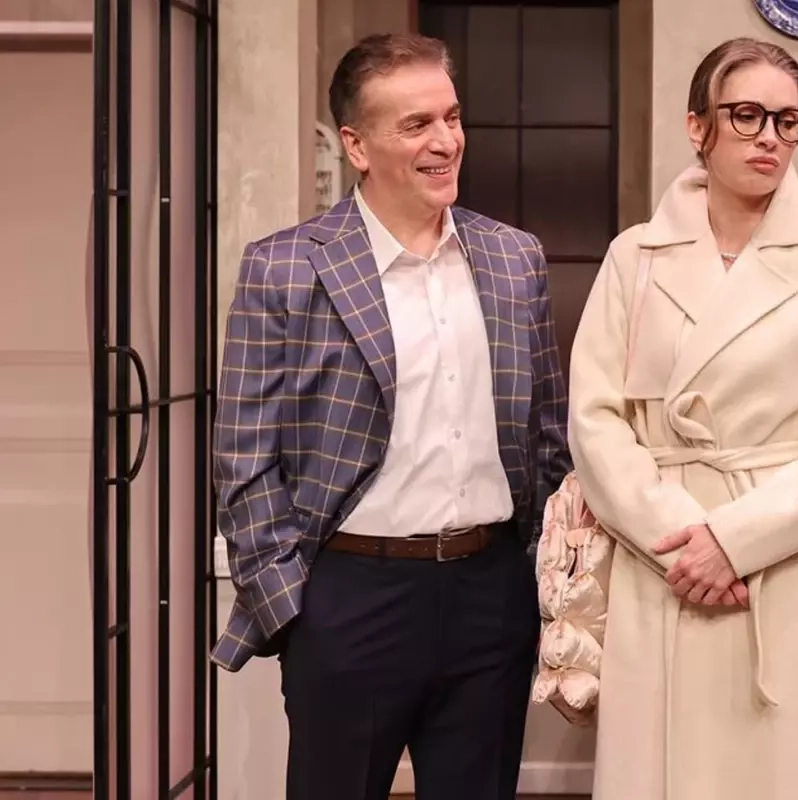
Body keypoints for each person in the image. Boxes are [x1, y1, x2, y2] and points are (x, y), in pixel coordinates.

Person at [209, 33, 571, 800]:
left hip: (490, 599)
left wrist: (537, 580)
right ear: (356, 145)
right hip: (348, 600)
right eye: (416, 125)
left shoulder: (515, 260)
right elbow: (243, 459)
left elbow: (548, 436)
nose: (446, 141)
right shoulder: (286, 267)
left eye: (452, 117)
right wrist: (294, 612)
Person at [567, 37, 798, 800]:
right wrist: (685, 543)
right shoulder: (634, 258)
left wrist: (735, 541)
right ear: (699, 126)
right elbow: (595, 419)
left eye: (787, 120)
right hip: (666, 560)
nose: (769, 137)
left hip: (795, 566)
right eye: (746, 115)